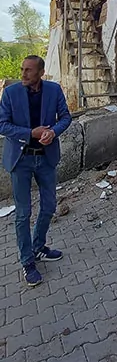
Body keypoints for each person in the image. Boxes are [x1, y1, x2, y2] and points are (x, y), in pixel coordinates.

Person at [0, 55, 72, 287]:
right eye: (22, 69)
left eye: (28, 70)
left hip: (45, 159)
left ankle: (39, 246)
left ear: (41, 72)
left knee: (49, 206)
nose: (23, 74)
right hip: (20, 161)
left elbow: (66, 117)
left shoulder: (53, 90)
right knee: (23, 214)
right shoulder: (10, 93)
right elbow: (2, 124)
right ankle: (27, 261)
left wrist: (54, 132)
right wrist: (31, 132)